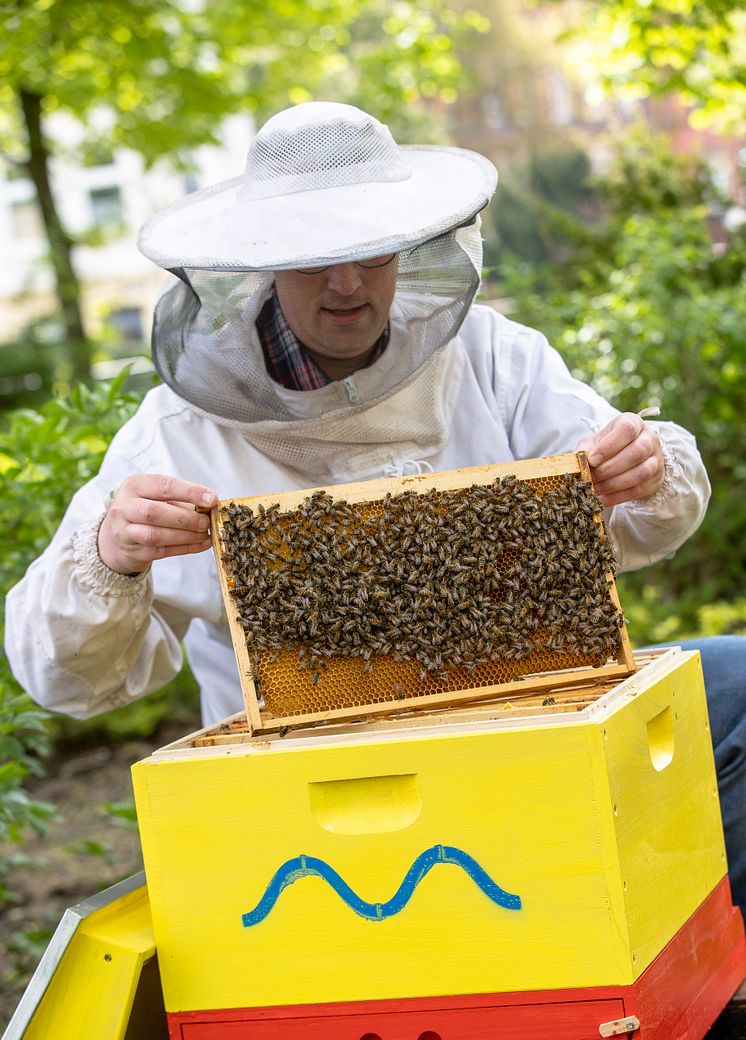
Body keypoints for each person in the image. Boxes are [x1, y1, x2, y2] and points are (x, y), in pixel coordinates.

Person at [4, 102, 743, 914]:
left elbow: (647, 521)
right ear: (264, 263)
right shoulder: (177, 436)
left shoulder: (491, 356)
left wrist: (642, 465)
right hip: (319, 787)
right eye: (318, 257)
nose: (349, 282)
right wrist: (113, 553)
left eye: (370, 250)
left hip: (529, 728)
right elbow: (66, 678)